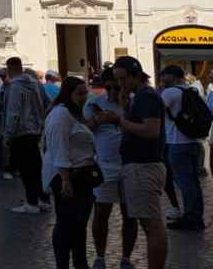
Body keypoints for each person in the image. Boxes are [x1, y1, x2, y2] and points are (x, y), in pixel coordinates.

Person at [99, 56, 165, 269]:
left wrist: (119, 120)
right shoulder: (138, 96)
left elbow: (151, 130)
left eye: (123, 79)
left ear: (136, 75)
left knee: (151, 225)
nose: (120, 84)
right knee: (149, 223)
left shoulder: (146, 97)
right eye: (117, 80)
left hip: (143, 166)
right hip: (138, 165)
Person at [83, 68, 137, 269]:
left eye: (117, 86)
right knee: (101, 212)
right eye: (109, 88)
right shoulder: (94, 103)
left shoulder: (133, 102)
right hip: (105, 165)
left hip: (130, 165)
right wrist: (97, 120)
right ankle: (100, 256)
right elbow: (84, 129)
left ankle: (126, 258)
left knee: (130, 214)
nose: (114, 91)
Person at [43, 76, 97, 269]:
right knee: (66, 224)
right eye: (79, 93)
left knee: (79, 224)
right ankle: (63, 264)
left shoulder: (73, 113)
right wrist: (65, 180)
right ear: (69, 94)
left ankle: (80, 262)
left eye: (85, 93)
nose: (84, 97)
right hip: (68, 176)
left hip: (82, 175)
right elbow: (60, 148)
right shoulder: (61, 116)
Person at [159, 65, 205, 231]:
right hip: (193, 143)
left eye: (164, 77)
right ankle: (196, 216)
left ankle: (191, 219)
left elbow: (156, 112)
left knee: (185, 183)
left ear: (171, 76)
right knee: (193, 183)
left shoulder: (170, 92)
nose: (161, 80)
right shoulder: (192, 90)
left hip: (177, 144)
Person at [3, 56, 51, 214]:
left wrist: (8, 134)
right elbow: (46, 103)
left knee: (26, 170)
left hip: (21, 132)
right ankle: (43, 199)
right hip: (36, 130)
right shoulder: (35, 83)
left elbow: (13, 112)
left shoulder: (14, 87)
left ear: (9, 69)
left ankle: (32, 202)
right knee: (37, 167)